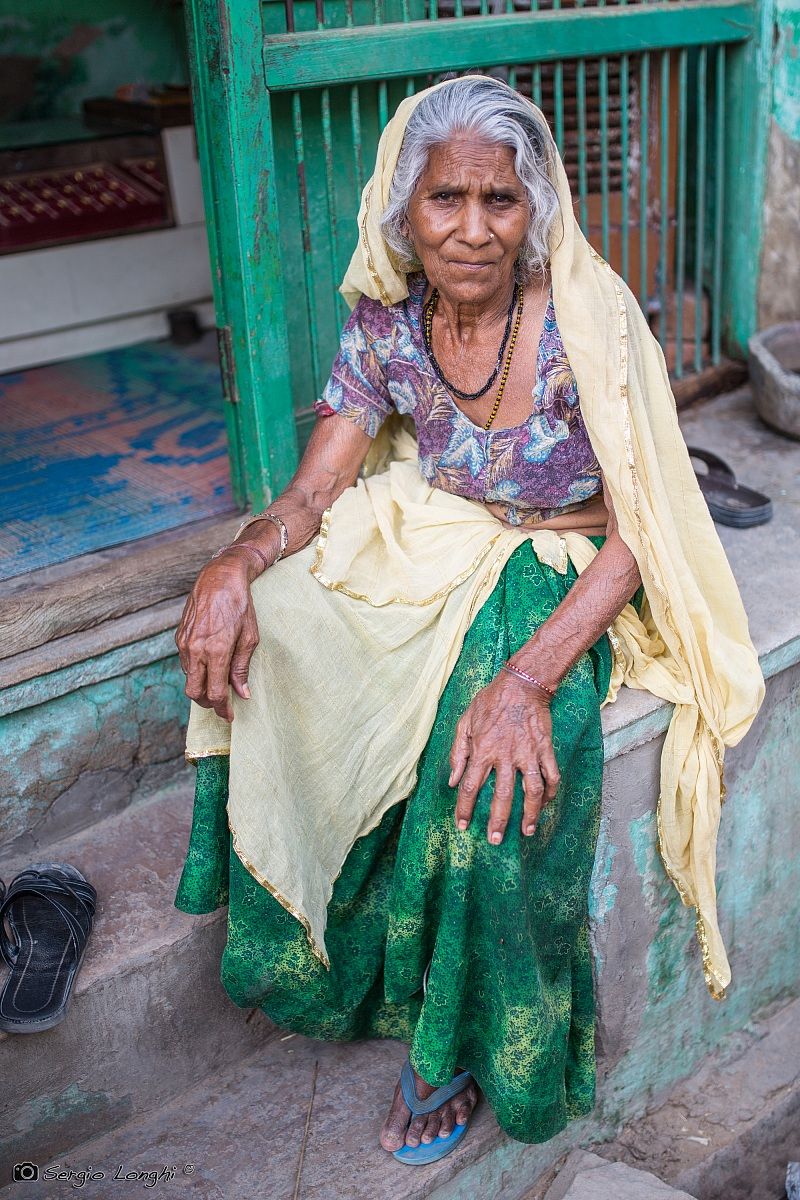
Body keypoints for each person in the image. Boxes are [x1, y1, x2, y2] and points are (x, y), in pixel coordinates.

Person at [173, 76, 763, 1164]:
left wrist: (531, 680)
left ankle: (465, 1042)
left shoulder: (582, 317)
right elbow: (313, 490)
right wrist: (235, 561)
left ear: (532, 210)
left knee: (491, 775)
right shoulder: (386, 319)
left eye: (499, 200)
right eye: (445, 199)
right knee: (270, 634)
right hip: (436, 529)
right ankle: (320, 953)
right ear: (403, 211)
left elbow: (644, 530)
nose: (472, 230)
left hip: (562, 550)